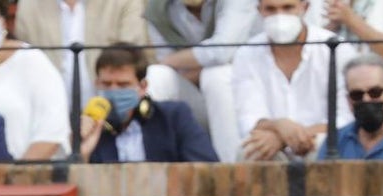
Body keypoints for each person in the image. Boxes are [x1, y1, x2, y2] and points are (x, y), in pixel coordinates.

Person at [232, 0, 356, 161]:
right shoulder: (246, 53)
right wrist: (279, 125)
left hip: (319, 138)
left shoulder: (336, 48)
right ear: (259, 11)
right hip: (270, 140)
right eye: (270, 9)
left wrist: (287, 137)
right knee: (250, 150)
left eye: (288, 7)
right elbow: (248, 119)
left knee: (323, 149)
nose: (279, 16)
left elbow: (345, 118)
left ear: (305, 8)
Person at [0, 0, 73, 160]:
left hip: (25, 178)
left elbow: (52, 131)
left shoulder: (30, 60)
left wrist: (15, 178)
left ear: (3, 21)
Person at [146, 0, 263, 163]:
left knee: (217, 74)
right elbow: (167, 67)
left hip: (242, 99)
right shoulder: (157, 8)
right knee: (157, 74)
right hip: (196, 97)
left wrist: (176, 61)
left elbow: (223, 51)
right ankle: (155, 164)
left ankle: (230, 167)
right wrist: (198, 64)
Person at [78, 43, 219, 162]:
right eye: (107, 84)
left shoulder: (174, 118)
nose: (114, 91)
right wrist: (82, 152)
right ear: (96, 84)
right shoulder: (88, 127)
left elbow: (207, 169)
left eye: (123, 85)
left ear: (142, 87)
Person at [14, 0, 150, 112]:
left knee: (160, 74)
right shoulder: (29, 4)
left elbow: (131, 55)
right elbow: (24, 61)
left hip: (109, 103)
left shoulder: (125, 2)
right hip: (48, 109)